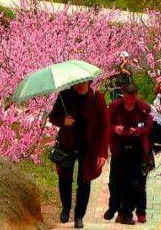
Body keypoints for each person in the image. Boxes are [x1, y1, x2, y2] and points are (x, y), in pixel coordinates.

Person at [49, 80, 110, 228]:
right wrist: (63, 120)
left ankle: (79, 216)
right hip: (67, 144)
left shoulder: (98, 97)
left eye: (83, 81)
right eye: (77, 82)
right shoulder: (65, 95)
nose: (79, 84)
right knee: (64, 178)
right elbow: (53, 116)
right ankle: (66, 207)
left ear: (89, 81)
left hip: (88, 146)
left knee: (84, 182)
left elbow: (104, 126)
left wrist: (102, 153)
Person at [104, 82, 152, 225]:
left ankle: (128, 213)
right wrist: (115, 129)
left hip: (138, 151)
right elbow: (106, 124)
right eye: (127, 98)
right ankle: (116, 208)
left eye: (132, 98)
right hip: (119, 150)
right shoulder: (114, 107)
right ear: (123, 95)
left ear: (136, 96)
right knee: (116, 182)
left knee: (135, 184)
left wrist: (135, 131)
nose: (130, 101)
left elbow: (148, 127)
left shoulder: (143, 108)